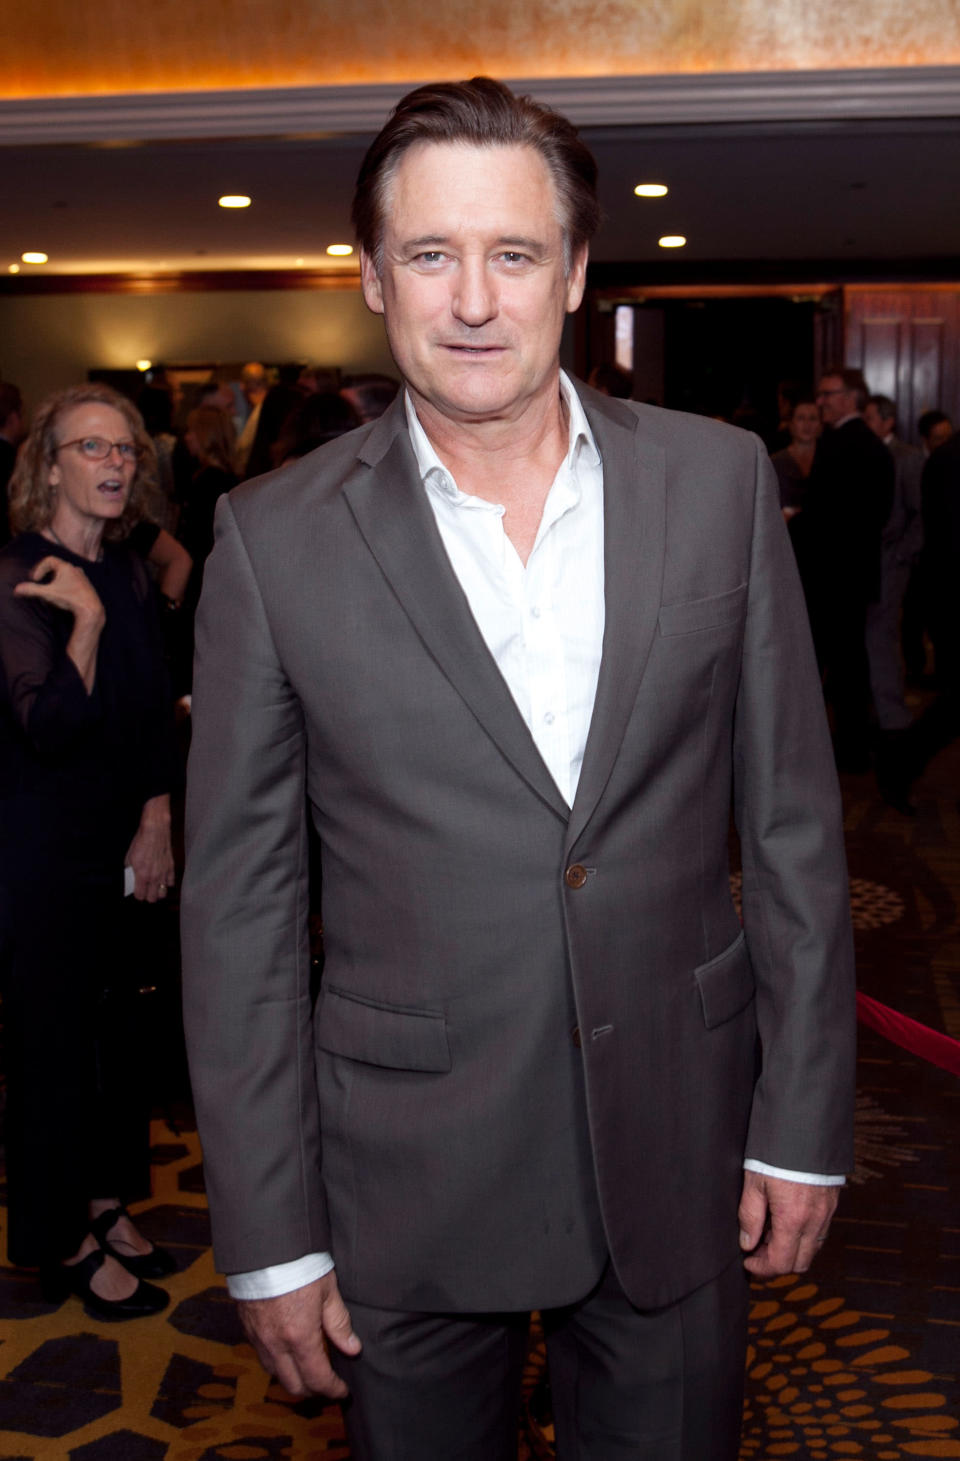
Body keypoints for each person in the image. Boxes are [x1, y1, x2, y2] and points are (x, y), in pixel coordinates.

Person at [182, 77, 855, 1461]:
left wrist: (802, 1124)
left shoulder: (720, 484)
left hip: (681, 1145)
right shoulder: (270, 541)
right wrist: (266, 1231)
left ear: (577, 271)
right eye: (431, 254)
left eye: (514, 254)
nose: (474, 300)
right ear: (372, 276)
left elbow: (791, 823)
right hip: (405, 1177)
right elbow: (241, 911)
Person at [0, 383, 177, 1320]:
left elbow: (149, 713)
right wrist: (89, 625)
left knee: (120, 1033)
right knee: (52, 1045)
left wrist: (156, 817)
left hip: (120, 838)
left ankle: (107, 1201)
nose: (114, 464)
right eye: (92, 448)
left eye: (125, 450)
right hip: (44, 849)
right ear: (50, 463)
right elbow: (52, 727)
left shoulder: (129, 571)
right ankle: (56, 1233)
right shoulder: (22, 574)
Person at [804, 367, 894, 771]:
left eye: (828, 394)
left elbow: (825, 518)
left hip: (831, 578)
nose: (820, 401)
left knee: (836, 667)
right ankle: (853, 745)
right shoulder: (872, 445)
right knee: (849, 664)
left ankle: (843, 749)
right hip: (853, 576)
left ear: (851, 397)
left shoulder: (841, 444)